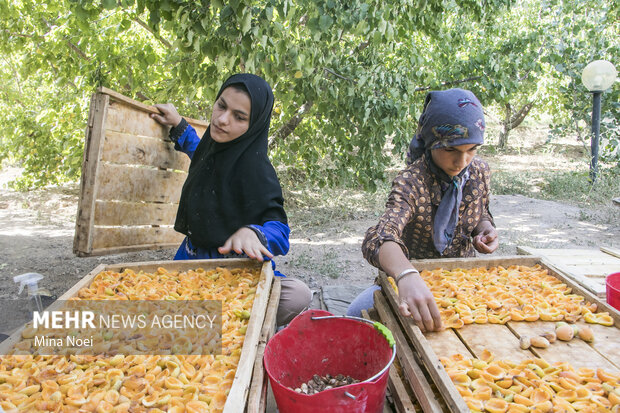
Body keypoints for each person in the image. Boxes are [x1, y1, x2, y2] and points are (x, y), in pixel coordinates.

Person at [150, 73, 312, 326]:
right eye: (221, 106)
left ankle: (230, 322)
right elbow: (197, 149)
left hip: (236, 270)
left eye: (239, 117)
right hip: (193, 257)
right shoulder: (213, 145)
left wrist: (254, 233)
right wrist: (178, 123)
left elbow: (279, 229)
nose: (223, 120)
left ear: (255, 124)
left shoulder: (257, 170)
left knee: (297, 295)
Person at [346, 88, 498, 332]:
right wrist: (406, 275)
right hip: (413, 286)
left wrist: (485, 229)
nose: (462, 162)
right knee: (355, 317)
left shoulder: (479, 173)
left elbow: (481, 212)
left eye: (471, 150)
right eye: (451, 150)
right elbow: (380, 237)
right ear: (431, 141)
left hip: (463, 282)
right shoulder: (411, 182)